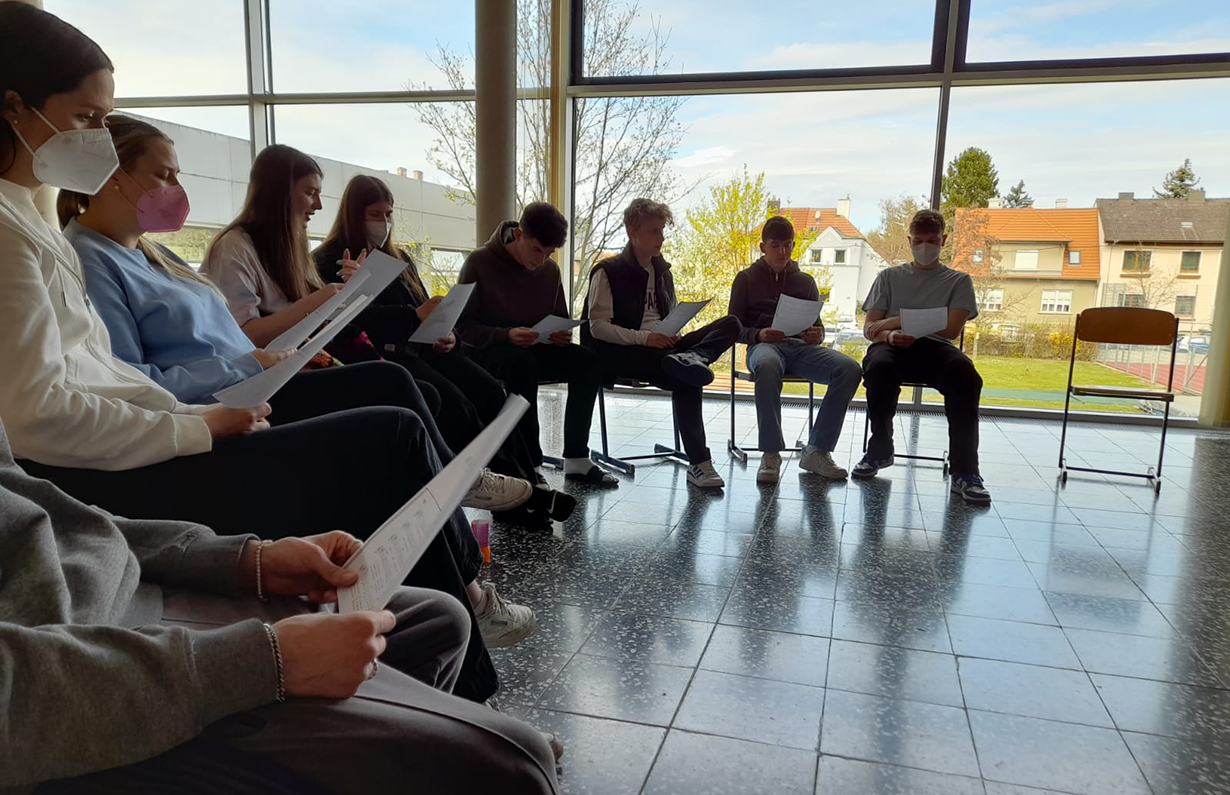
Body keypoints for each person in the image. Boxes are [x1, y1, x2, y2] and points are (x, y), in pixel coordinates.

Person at [0, 3, 539, 712]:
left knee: (392, 396)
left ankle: (461, 610)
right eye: (85, 118)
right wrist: (198, 421)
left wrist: (202, 409)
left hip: (189, 417)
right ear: (14, 109)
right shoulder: (36, 241)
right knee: (388, 434)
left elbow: (107, 375)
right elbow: (41, 414)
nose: (96, 138)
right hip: (131, 460)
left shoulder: (50, 230)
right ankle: (470, 682)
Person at [0, 414, 559, 794]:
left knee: (440, 621)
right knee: (515, 763)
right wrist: (260, 662)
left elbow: (68, 518)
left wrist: (246, 559)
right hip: (76, 682)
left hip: (127, 594)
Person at [62, 118, 574, 530]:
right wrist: (263, 355)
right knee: (397, 401)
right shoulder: (92, 261)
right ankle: (460, 484)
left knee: (415, 392)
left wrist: (321, 321)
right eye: (164, 176)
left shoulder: (156, 255)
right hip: (231, 397)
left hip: (264, 375)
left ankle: (465, 490)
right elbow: (133, 381)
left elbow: (230, 335)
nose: (177, 189)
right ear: (112, 175)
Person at [311, 175, 563, 522]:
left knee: (491, 391)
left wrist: (448, 332)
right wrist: (413, 316)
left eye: (389, 214)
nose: (384, 222)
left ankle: (524, 478)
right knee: (458, 406)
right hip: (389, 352)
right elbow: (351, 325)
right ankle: (513, 496)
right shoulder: (329, 260)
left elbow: (423, 306)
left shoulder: (398, 257)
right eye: (375, 214)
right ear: (354, 214)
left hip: (427, 345)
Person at [582, 198, 741, 490]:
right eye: (654, 231)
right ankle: (700, 463)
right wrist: (646, 338)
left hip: (664, 349)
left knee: (732, 323)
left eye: (662, 231)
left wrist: (673, 334)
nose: (661, 238)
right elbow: (598, 328)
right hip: (625, 352)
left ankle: (692, 356)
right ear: (633, 232)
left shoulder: (663, 272)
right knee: (686, 377)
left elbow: (667, 316)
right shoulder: (607, 272)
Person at [456, 201, 617, 487]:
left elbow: (559, 318)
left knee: (588, 361)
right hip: (487, 350)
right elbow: (463, 327)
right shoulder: (479, 263)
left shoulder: (549, 270)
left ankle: (577, 458)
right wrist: (506, 335)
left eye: (549, 253)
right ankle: (529, 463)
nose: (541, 260)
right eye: (536, 250)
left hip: (532, 346)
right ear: (519, 235)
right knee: (522, 365)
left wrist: (560, 336)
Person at [856, 208, 991, 504]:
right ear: (909, 241)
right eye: (918, 241)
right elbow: (870, 328)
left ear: (944, 240)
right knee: (878, 368)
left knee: (966, 376)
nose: (925, 246)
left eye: (932, 240)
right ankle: (879, 450)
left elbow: (951, 328)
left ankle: (966, 472)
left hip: (935, 347)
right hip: (891, 345)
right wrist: (890, 335)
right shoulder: (889, 277)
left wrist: (895, 320)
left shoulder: (958, 281)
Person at [729, 214, 861, 483]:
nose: (783, 252)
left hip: (800, 348)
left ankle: (817, 450)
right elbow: (732, 327)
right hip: (764, 347)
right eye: (776, 245)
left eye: (788, 245)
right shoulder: (745, 279)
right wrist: (758, 334)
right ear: (763, 246)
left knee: (849, 369)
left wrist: (817, 334)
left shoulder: (806, 281)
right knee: (767, 365)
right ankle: (771, 453)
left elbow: (818, 326)